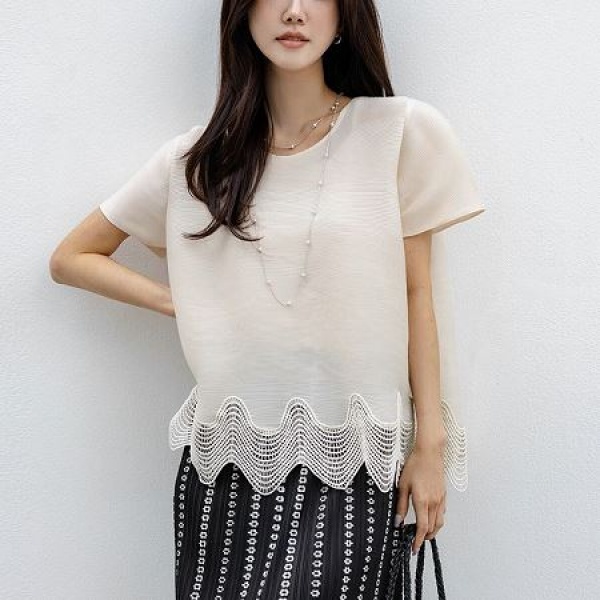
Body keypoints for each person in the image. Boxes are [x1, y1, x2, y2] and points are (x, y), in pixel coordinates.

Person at [49, 1, 486, 598]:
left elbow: (418, 292)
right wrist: (183, 302)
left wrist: (429, 447)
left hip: (359, 457)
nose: (294, 12)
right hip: (229, 461)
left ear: (344, 15)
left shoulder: (397, 131)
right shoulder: (197, 162)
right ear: (243, 14)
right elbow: (72, 258)